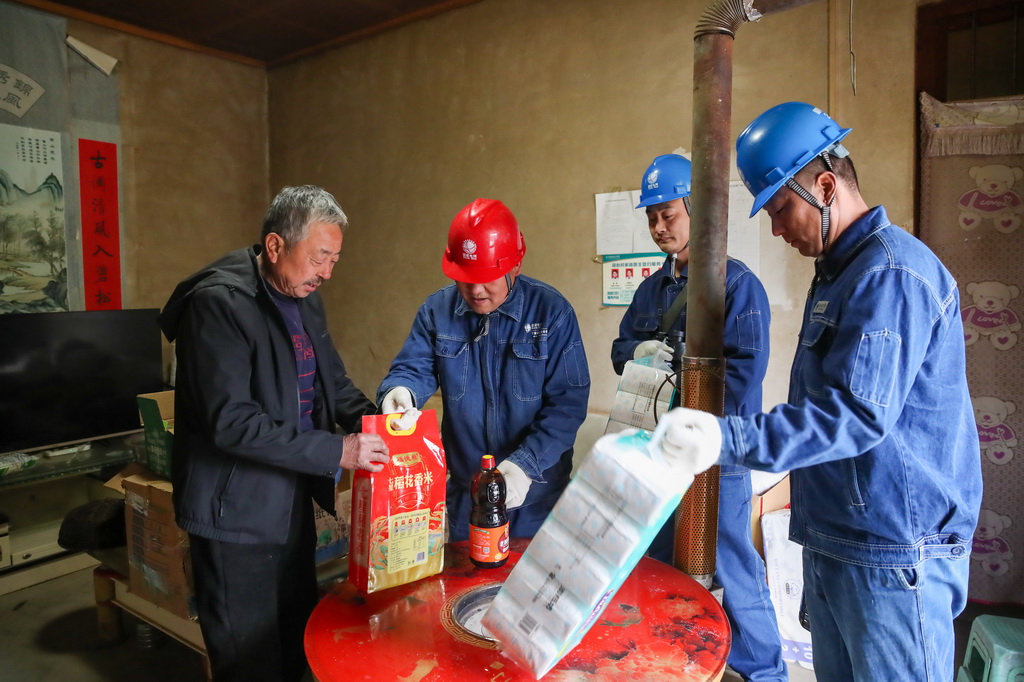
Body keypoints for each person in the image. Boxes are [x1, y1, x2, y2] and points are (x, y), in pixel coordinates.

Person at [657, 102, 983, 681]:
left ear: (826, 186)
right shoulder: (839, 273)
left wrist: (719, 437)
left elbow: (855, 415)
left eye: (782, 208)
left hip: (892, 551)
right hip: (839, 539)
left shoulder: (890, 274)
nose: (778, 229)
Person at [158, 185, 390, 682]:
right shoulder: (219, 305)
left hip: (288, 498)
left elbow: (334, 384)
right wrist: (339, 449)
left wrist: (379, 423)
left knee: (297, 636)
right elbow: (231, 421)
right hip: (235, 512)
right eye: (320, 258)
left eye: (334, 259)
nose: (327, 273)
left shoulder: (303, 298)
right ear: (276, 246)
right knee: (249, 656)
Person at [612, 153, 787, 681]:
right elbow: (622, 349)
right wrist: (637, 353)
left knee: (733, 569)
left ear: (698, 210)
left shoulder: (738, 285)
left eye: (668, 213)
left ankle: (764, 674)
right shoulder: (650, 290)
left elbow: (743, 377)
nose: (659, 226)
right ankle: (684, 665)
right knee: (665, 568)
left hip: (718, 459)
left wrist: (695, 406)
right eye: (651, 217)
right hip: (655, 454)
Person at [378, 198, 590, 541]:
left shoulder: (552, 313)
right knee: (467, 591)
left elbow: (568, 405)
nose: (476, 291)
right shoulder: (437, 311)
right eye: (465, 279)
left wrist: (525, 466)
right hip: (468, 499)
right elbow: (413, 368)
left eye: (488, 278)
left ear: (515, 267)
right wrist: (400, 390)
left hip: (537, 499)